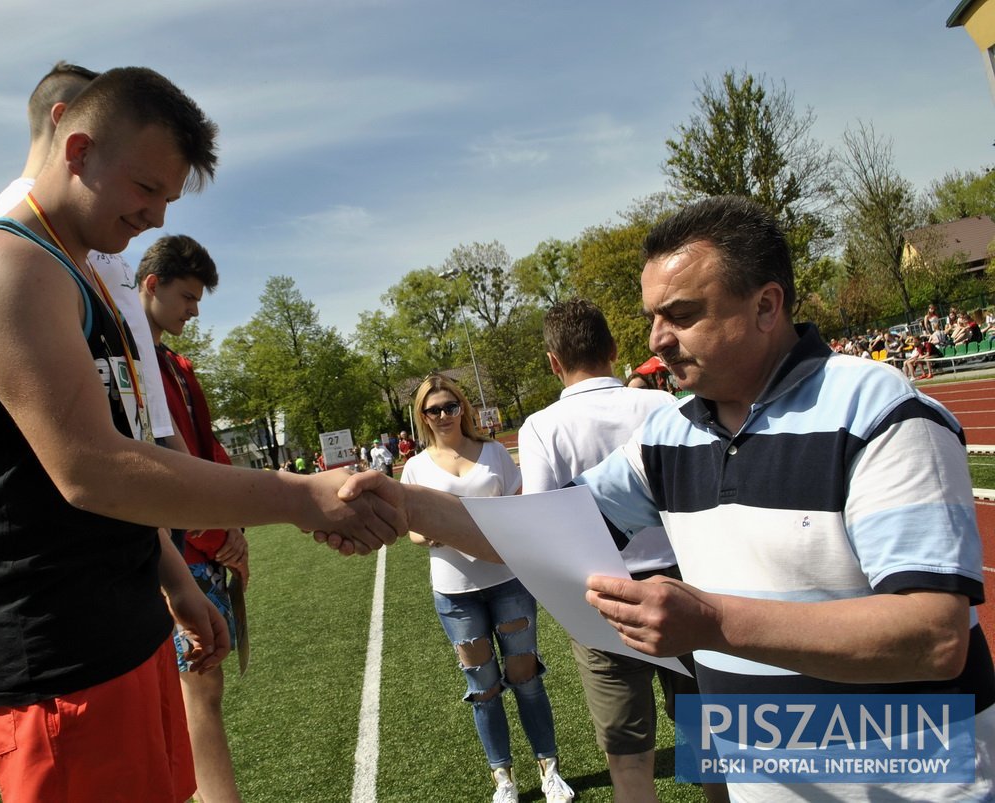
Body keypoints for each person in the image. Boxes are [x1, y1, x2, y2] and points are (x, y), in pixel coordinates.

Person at [334, 195, 995, 802]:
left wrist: (712, 624)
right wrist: (405, 504)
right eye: (653, 317)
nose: (656, 338)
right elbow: (540, 532)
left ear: (767, 306)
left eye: (681, 315)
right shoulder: (670, 433)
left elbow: (932, 636)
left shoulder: (881, 412)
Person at [0, 66, 401, 803]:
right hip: (58, 663)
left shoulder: (77, 275)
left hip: (126, 628)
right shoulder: (1, 266)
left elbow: (126, 467)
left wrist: (176, 583)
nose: (153, 218)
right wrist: (300, 496)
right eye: (145, 189)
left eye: (167, 200)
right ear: (77, 148)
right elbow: (92, 470)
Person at [517, 299, 722, 803]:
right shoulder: (664, 405)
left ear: (553, 362)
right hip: (685, 580)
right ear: (613, 349)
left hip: (605, 594)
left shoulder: (543, 426)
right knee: (708, 736)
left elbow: (544, 524)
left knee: (628, 759)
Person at [400, 374, 574, 803]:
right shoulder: (416, 466)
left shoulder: (495, 452)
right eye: (433, 409)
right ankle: (505, 780)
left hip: (508, 582)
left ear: (463, 407)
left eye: (450, 406)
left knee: (526, 678)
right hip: (455, 594)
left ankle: (549, 770)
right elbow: (413, 532)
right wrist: (439, 534)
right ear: (422, 416)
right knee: (483, 689)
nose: (443, 415)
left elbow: (520, 506)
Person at [0, 61, 174, 447]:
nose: (156, 217)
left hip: (141, 448)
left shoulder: (89, 229)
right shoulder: (18, 233)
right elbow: (82, 456)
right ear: (69, 124)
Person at [137, 234, 246, 803]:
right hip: (173, 551)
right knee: (197, 693)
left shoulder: (174, 364)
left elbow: (206, 452)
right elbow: (153, 463)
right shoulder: (130, 362)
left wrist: (233, 525)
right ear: (150, 285)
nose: (195, 309)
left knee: (200, 692)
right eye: (187, 295)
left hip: (201, 544)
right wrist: (214, 529)